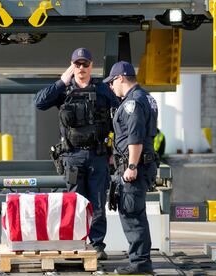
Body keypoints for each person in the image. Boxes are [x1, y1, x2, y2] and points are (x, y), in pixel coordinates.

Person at [35, 48, 119, 260]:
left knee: (98, 202)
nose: (81, 68)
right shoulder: (63, 91)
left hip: (97, 155)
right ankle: (76, 242)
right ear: (72, 65)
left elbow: (120, 109)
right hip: (72, 156)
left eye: (85, 64)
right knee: (74, 202)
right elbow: (39, 102)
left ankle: (97, 244)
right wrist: (61, 82)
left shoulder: (102, 89)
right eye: (77, 64)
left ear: (92, 65)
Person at [103, 61, 158, 275]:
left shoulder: (131, 103)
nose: (110, 87)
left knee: (132, 214)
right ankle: (140, 259)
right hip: (144, 163)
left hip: (135, 166)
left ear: (121, 78)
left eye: (111, 82)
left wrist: (131, 166)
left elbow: (135, 138)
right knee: (136, 213)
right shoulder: (148, 98)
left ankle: (140, 263)